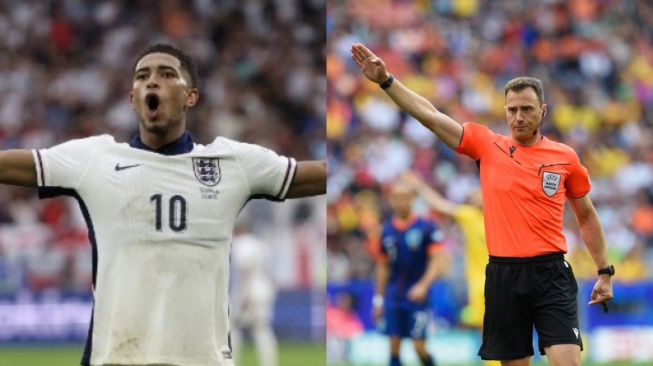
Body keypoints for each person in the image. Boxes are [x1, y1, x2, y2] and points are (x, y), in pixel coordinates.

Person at [0, 43, 326, 366]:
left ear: (191, 97)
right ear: (132, 99)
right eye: (142, 76)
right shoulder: (94, 159)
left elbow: (322, 175)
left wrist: (381, 87)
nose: (152, 81)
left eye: (166, 74)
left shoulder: (233, 162)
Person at [352, 43, 614, 366]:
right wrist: (387, 81)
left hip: (551, 274)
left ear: (543, 111)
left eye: (527, 109)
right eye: (512, 109)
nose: (518, 117)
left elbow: (585, 215)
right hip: (503, 276)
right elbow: (430, 116)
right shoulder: (487, 146)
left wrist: (605, 271)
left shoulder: (565, 157)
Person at [400, 172, 499, 366]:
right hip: (479, 281)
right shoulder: (469, 216)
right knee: (484, 325)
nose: (476, 199)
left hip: (503, 278)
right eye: (472, 198)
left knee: (501, 324)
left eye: (478, 195)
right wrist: (419, 185)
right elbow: (440, 205)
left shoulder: (499, 215)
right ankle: (491, 362)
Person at [373, 180, 449, 366]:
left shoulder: (426, 227)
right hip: (394, 296)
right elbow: (383, 266)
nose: (400, 202)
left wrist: (423, 286)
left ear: (413, 199)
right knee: (393, 345)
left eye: (404, 198)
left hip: (417, 297)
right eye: (396, 198)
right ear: (390, 200)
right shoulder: (386, 230)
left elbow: (437, 260)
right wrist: (379, 299)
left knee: (418, 348)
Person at [230, 222, 278, 366]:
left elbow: (246, 268)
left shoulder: (240, 243)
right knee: (262, 329)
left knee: (233, 327)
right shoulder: (260, 244)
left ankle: (231, 362)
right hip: (265, 289)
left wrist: (245, 294)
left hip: (250, 290)